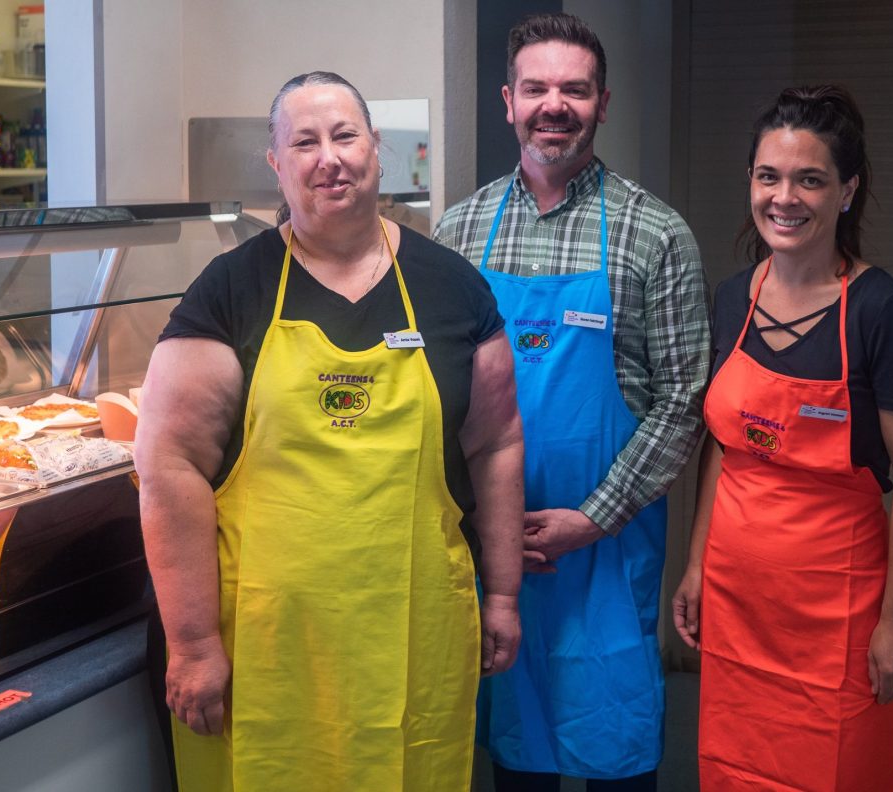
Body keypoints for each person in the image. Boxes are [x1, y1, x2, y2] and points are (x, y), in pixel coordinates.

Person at [136, 71, 525, 792]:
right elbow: (168, 467)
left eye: (345, 135)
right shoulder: (229, 292)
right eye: (304, 142)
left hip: (415, 632)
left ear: (377, 148)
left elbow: (496, 443)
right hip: (270, 645)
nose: (329, 157)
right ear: (277, 166)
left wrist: (501, 593)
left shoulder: (452, 288)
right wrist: (191, 644)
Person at [434, 13, 710, 791]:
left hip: (607, 553)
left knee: (616, 750)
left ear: (602, 103)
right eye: (537, 88)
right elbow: (439, 394)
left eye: (575, 90)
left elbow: (683, 399)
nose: (555, 105)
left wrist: (593, 518)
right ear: (508, 101)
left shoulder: (654, 234)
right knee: (515, 760)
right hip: (498, 550)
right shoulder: (460, 233)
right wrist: (479, 520)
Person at [671, 85, 893, 790]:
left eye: (810, 179)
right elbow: (722, 452)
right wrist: (699, 564)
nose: (784, 197)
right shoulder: (734, 296)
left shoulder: (884, 313)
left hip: (839, 617)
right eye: (768, 176)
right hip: (737, 602)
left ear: (847, 191)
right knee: (734, 770)